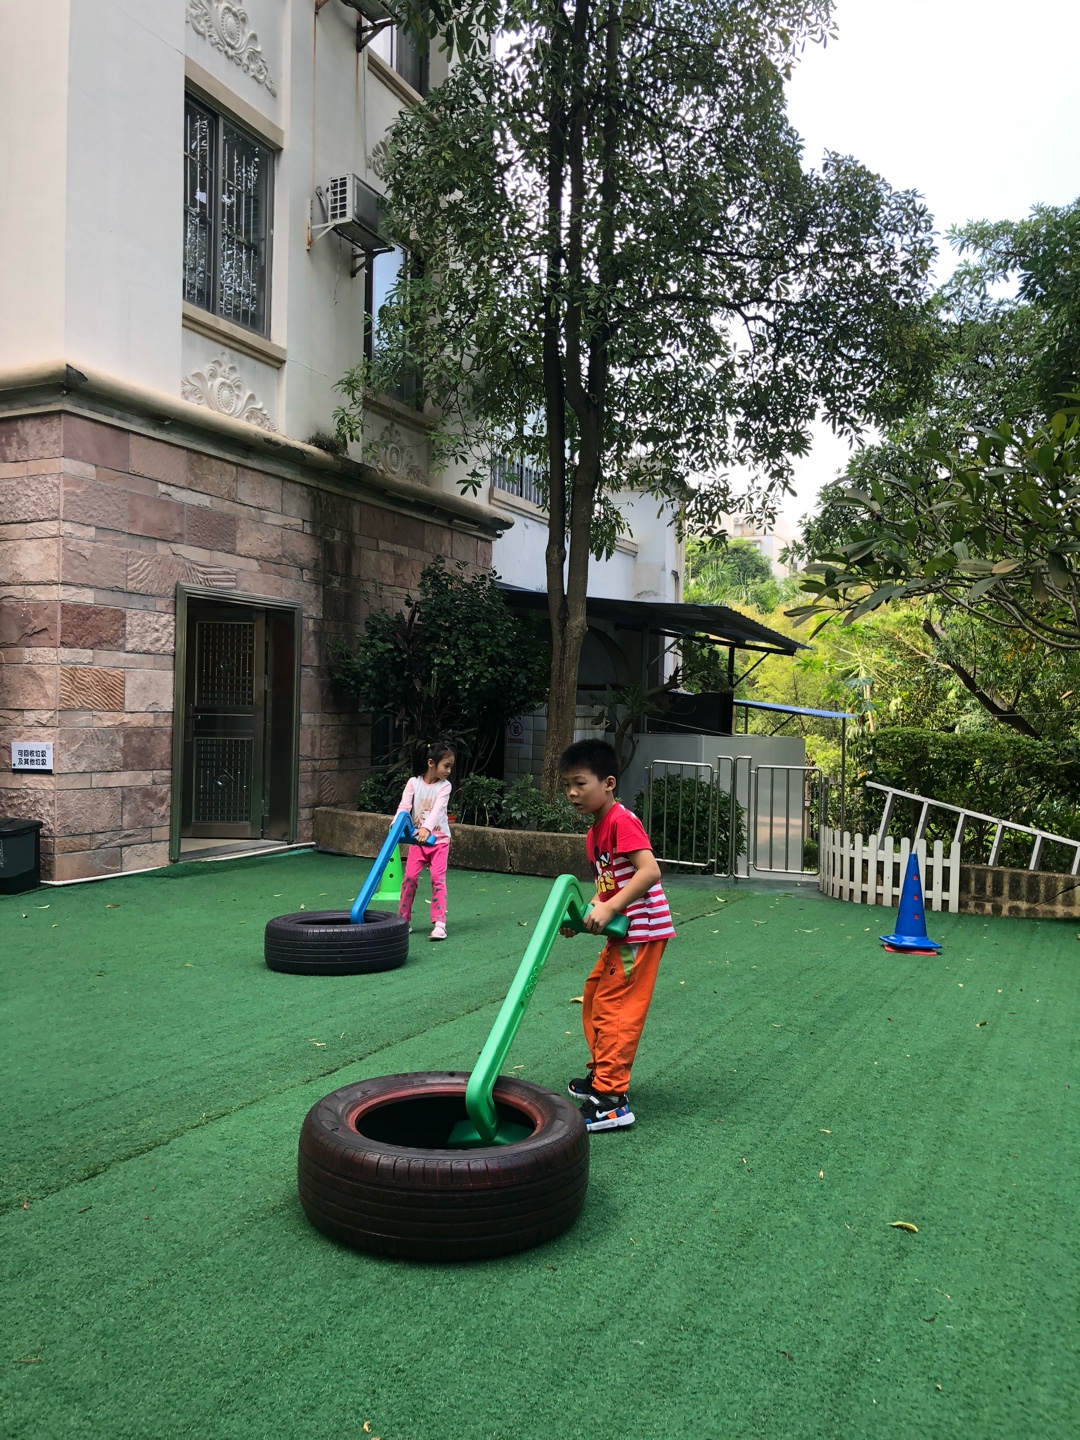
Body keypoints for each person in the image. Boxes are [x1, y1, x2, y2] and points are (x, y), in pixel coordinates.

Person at [558, 738, 675, 1132]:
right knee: (594, 995)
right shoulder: (595, 834)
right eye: (567, 785)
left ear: (608, 783)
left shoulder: (621, 821)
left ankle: (612, 1099)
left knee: (615, 1006)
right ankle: (601, 1076)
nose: (572, 793)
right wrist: (582, 916)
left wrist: (609, 909)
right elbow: (606, 888)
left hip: (641, 931)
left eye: (580, 783)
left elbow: (649, 871)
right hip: (623, 933)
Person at [396, 742, 454, 941]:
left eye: (450, 767)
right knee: (410, 878)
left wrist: (426, 828)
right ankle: (403, 920)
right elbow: (404, 807)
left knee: (438, 878)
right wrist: (396, 825)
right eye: (446, 766)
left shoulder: (445, 786)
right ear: (431, 763)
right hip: (418, 842)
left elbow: (438, 810)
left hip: (439, 840)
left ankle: (439, 923)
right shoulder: (414, 783)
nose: (449, 771)